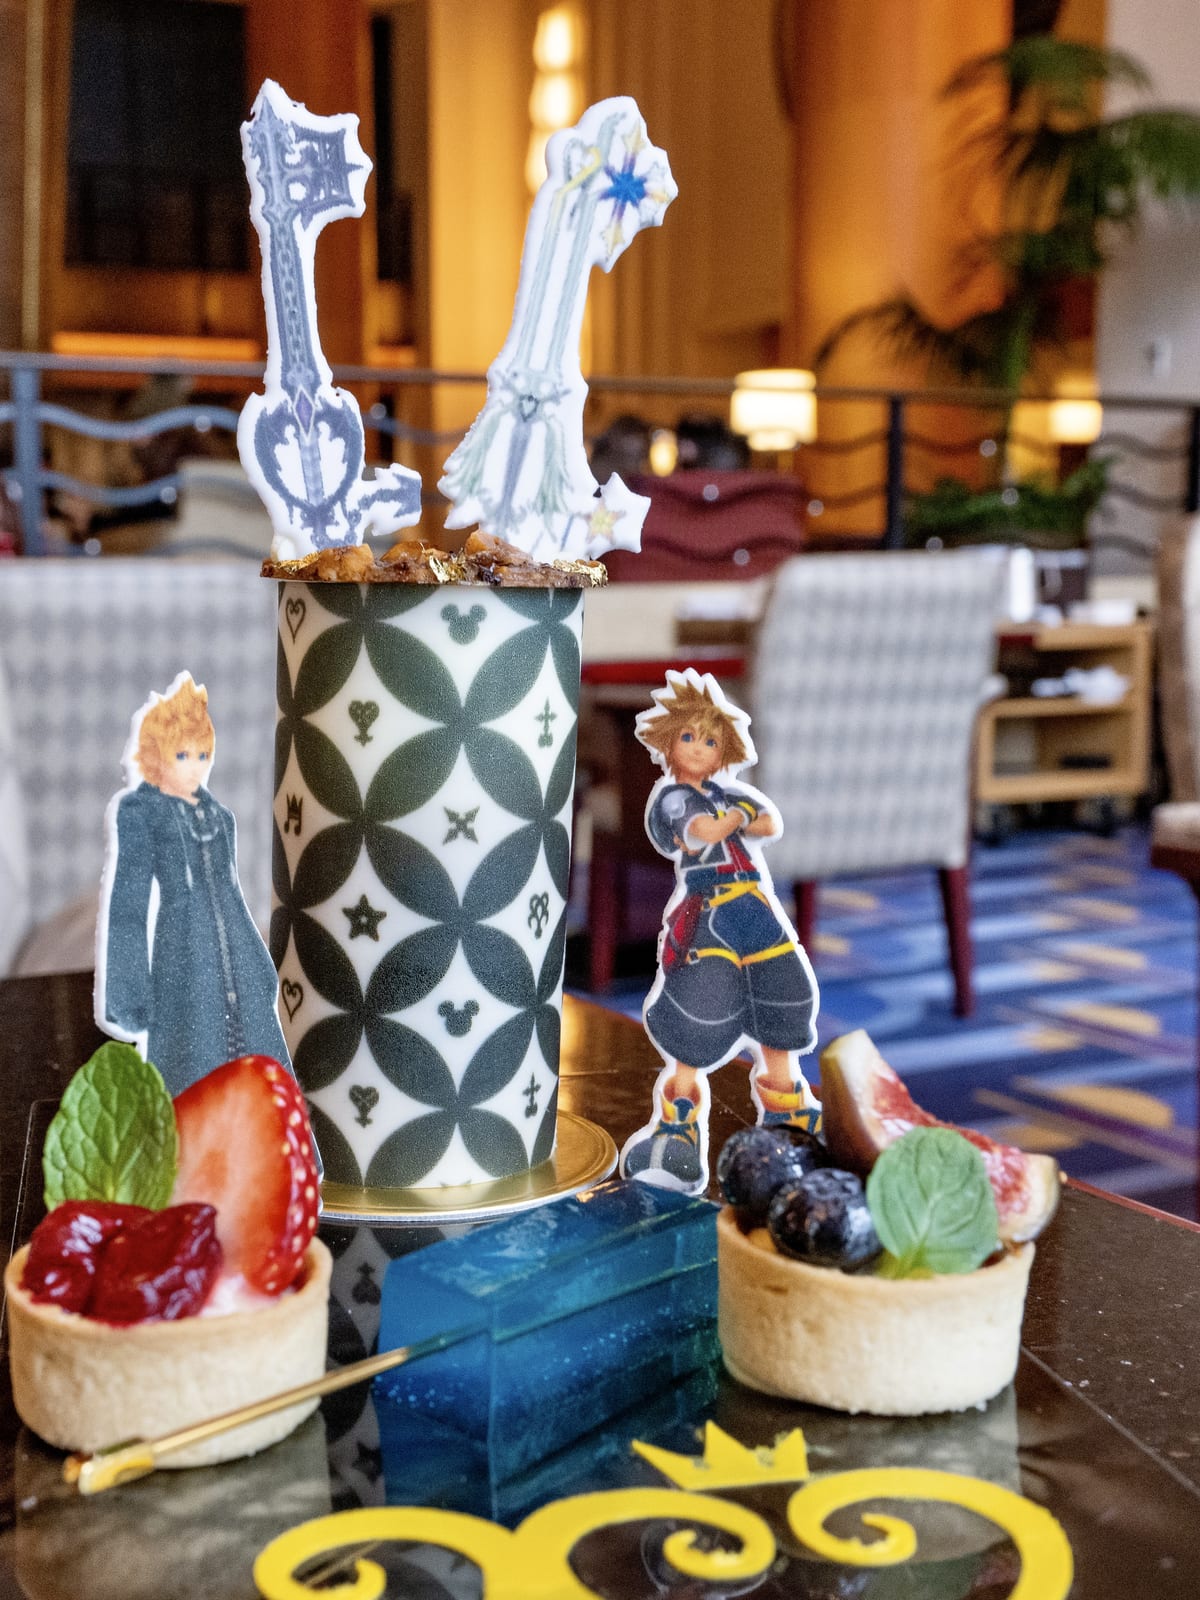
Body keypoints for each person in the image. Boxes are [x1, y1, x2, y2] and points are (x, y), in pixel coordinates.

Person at [620, 670, 819, 1194]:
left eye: (710, 740)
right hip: (708, 912)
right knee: (698, 1007)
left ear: (724, 751)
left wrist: (740, 810)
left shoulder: (723, 793)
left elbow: (768, 824)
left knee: (782, 993)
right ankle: (677, 1125)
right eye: (688, 736)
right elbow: (703, 832)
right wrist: (738, 814)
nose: (698, 747)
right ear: (668, 743)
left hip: (752, 903)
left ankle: (787, 1110)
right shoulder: (673, 800)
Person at [96, 672, 290, 1096]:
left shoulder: (218, 816)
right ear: (156, 755)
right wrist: (129, 994)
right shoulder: (143, 813)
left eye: (203, 754)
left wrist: (259, 962)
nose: (196, 766)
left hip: (236, 948)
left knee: (256, 1052)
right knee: (193, 1052)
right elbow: (128, 905)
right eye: (183, 755)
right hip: (182, 949)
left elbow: (232, 892)